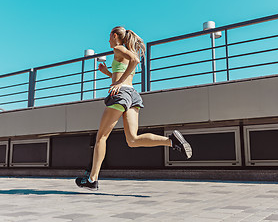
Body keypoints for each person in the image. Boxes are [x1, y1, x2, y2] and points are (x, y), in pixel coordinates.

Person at [75, 26, 192, 190]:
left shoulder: (118, 48)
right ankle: (171, 141)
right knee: (133, 139)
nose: (108, 40)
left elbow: (135, 62)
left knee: (101, 137)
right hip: (132, 94)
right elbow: (126, 72)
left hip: (121, 94)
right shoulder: (124, 51)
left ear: (115, 36)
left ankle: (92, 179)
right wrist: (108, 73)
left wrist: (117, 83)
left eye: (109, 37)